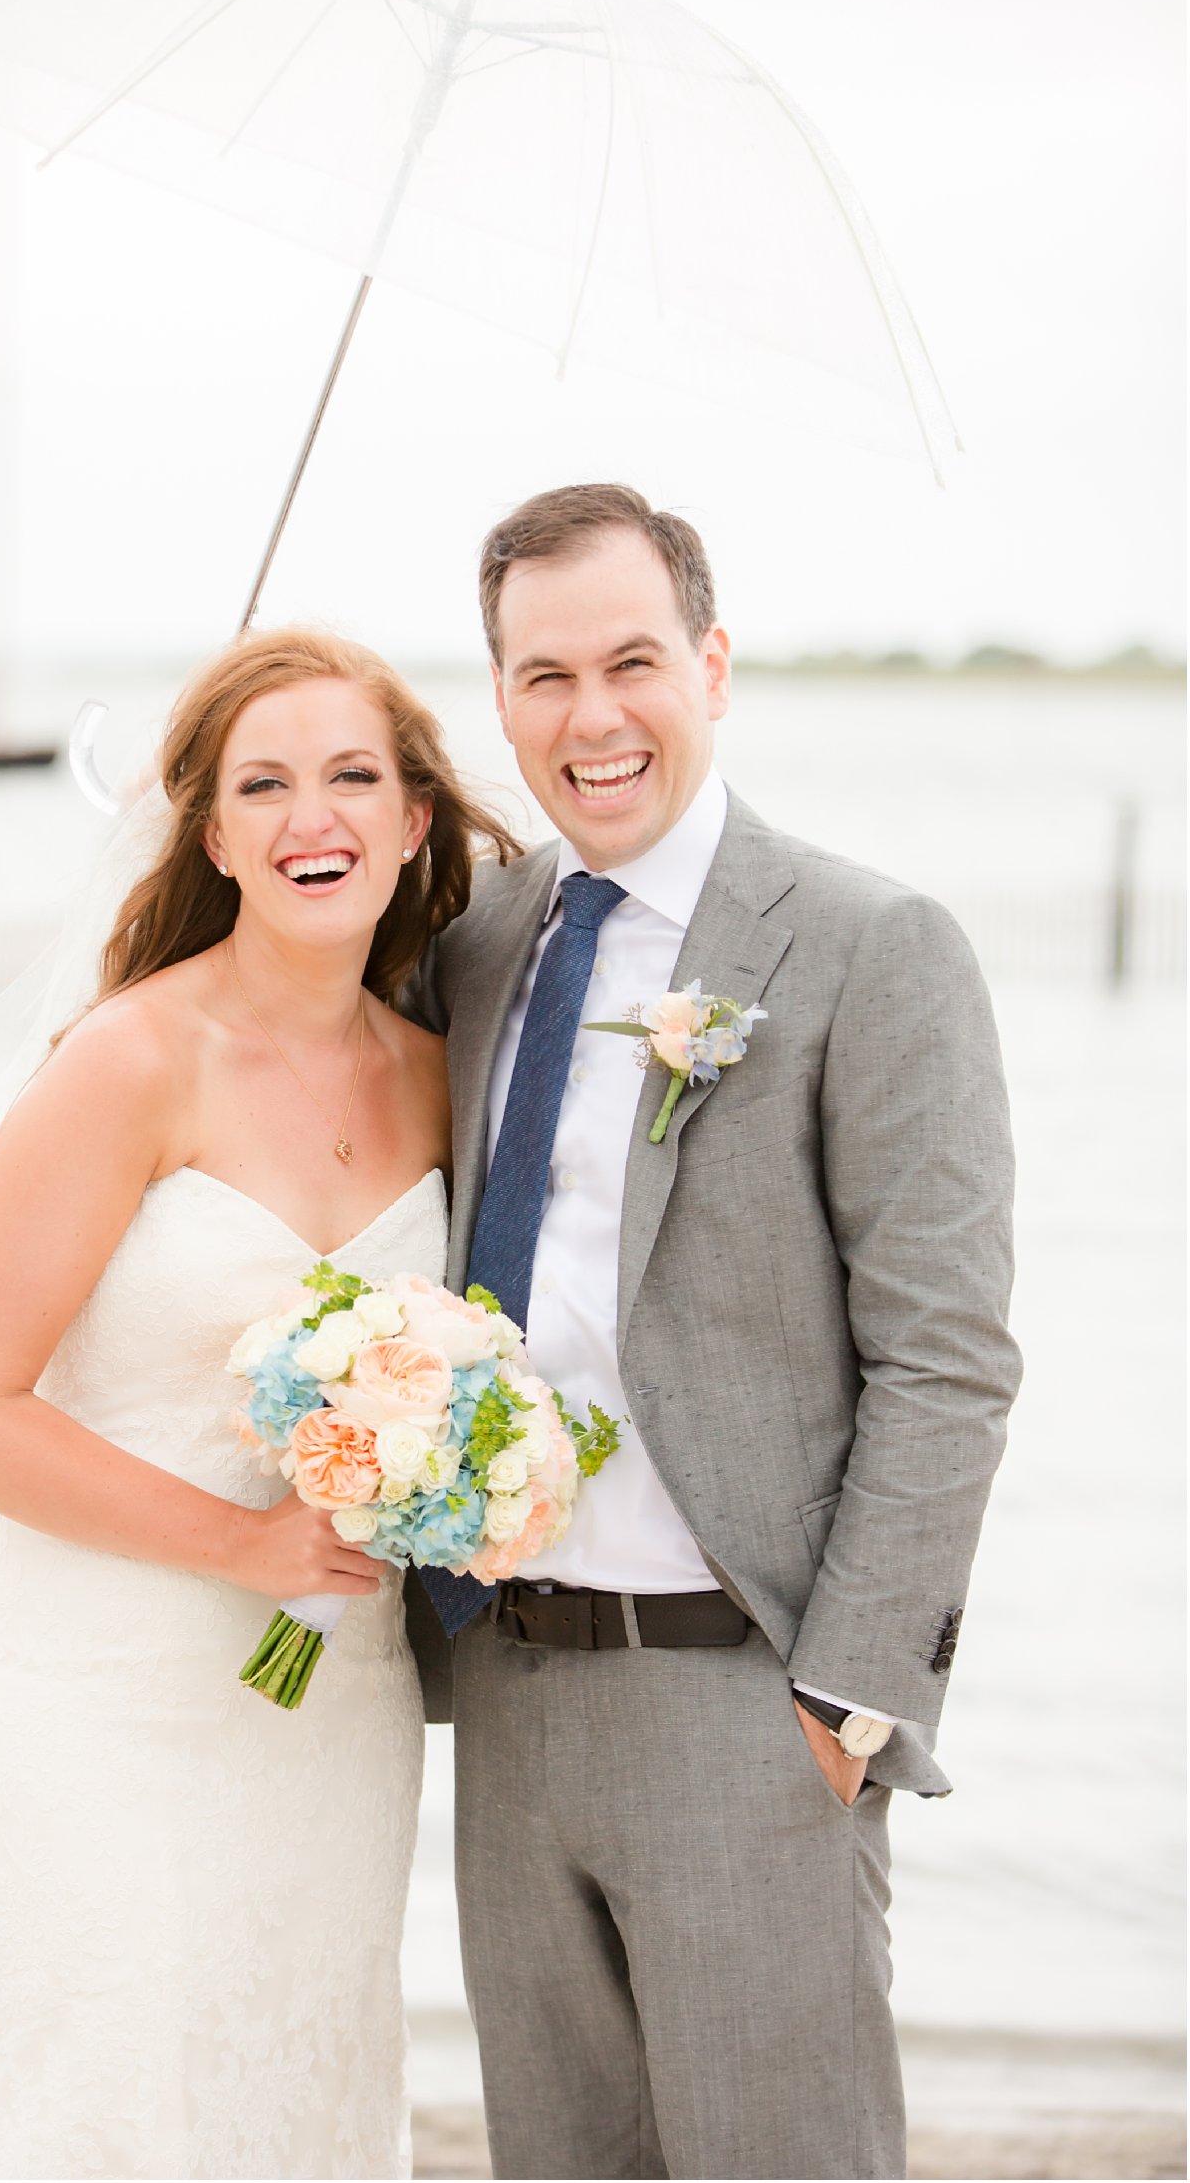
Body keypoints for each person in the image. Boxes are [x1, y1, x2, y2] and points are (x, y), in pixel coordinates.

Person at [404, 485, 1022, 2181]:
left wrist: (847, 1701)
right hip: (513, 1694)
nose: (590, 718)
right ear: (502, 695)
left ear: (715, 663)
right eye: (542, 676)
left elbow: (948, 1355)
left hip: (752, 1703)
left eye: (631, 661)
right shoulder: (473, 948)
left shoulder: (867, 947)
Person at [0, 625, 516, 2182]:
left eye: (354, 776)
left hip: (335, 1695)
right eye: (267, 783)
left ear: (414, 820)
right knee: (110, 2096)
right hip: (109, 1688)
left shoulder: (446, 1076)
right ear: (217, 833)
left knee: (299, 2086)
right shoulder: (123, 1060)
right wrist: (237, 1548)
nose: (316, 816)